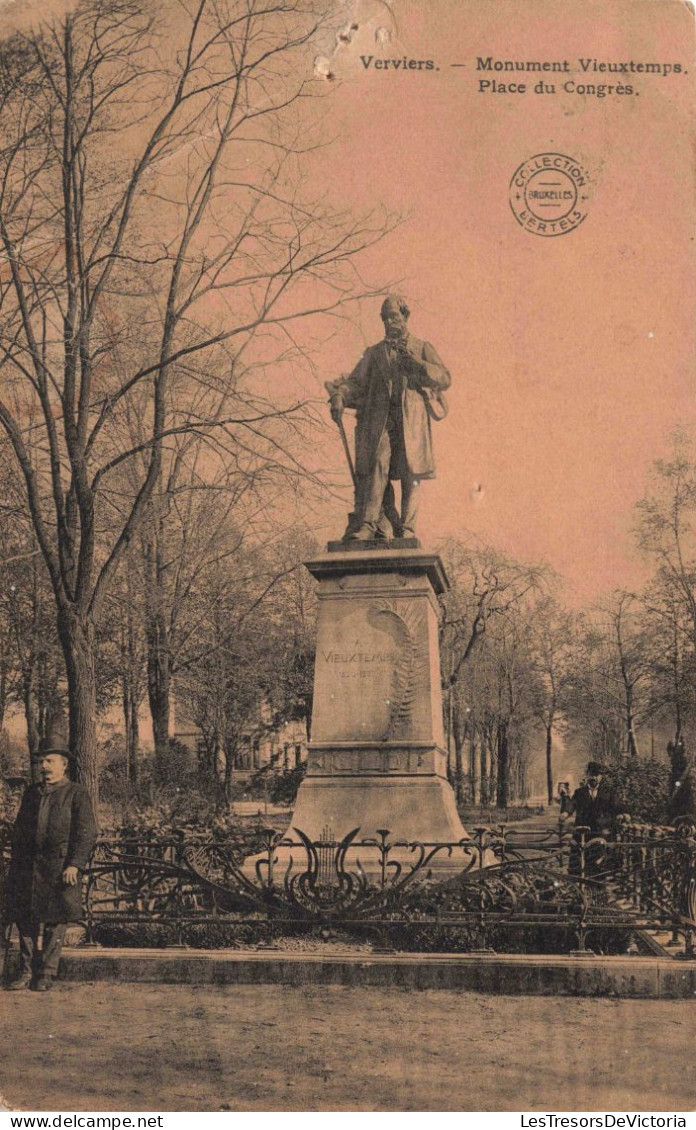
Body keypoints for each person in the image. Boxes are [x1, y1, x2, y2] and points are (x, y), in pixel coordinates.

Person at [326, 295, 451, 541]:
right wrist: (339, 396)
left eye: (394, 316)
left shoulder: (421, 347)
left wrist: (416, 364)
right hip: (382, 421)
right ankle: (368, 525)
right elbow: (355, 383)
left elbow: (445, 378)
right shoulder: (373, 353)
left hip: (411, 421)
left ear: (405, 316)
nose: (390, 321)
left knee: (410, 475)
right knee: (377, 466)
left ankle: (407, 528)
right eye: (386, 317)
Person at [5, 738, 97, 992]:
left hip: (58, 869)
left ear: (63, 765)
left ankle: (45, 973)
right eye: (41, 761)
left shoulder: (76, 793)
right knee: (24, 919)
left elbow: (87, 832)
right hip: (27, 868)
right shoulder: (32, 792)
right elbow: (21, 829)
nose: (44, 766)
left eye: (50, 761)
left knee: (56, 920)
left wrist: (75, 864)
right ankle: (24, 972)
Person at [561, 760, 617, 878]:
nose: (594, 777)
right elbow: (571, 804)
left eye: (597, 775)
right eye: (591, 774)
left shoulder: (608, 793)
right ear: (587, 775)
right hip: (582, 833)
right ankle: (579, 887)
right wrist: (566, 812)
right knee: (577, 866)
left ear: (601, 777)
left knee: (599, 866)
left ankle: (598, 887)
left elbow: (617, 806)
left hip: (600, 832)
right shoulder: (579, 793)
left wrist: (624, 814)